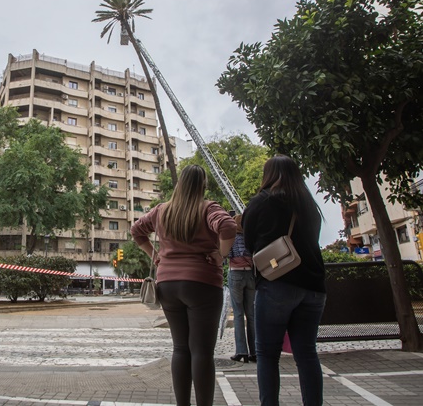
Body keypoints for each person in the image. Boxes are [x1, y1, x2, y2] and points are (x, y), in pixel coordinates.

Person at [131, 165, 236, 406]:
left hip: (167, 285)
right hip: (202, 284)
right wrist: (220, 255)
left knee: (180, 348)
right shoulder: (208, 208)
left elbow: (137, 231)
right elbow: (228, 226)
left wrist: (155, 256)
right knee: (201, 351)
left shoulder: (162, 211)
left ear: (179, 184)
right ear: (203, 185)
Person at [242, 154, 326, 406]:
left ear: (268, 175)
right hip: (314, 288)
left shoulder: (261, 202)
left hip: (276, 283)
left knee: (267, 355)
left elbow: (248, 243)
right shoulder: (309, 205)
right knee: (307, 353)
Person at [227, 213, 256, 363]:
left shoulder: (231, 238)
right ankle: (255, 351)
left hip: (236, 274)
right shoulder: (250, 238)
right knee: (251, 314)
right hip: (250, 275)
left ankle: (241, 351)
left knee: (238, 314)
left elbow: (227, 254)